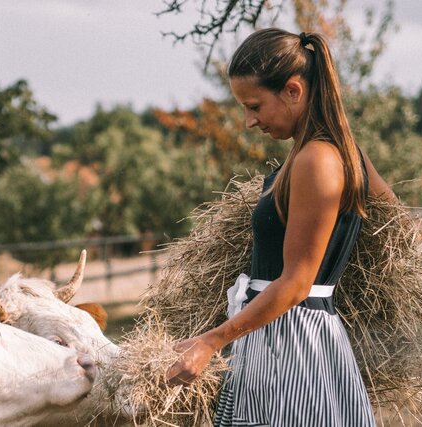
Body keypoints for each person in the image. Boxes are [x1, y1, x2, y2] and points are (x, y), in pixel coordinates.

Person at [165, 28, 397, 426]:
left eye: (254, 105)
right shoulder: (341, 153)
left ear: (293, 91)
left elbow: (295, 283)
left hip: (289, 345)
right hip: (291, 334)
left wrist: (211, 340)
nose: (248, 121)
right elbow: (393, 215)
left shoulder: (316, 161)